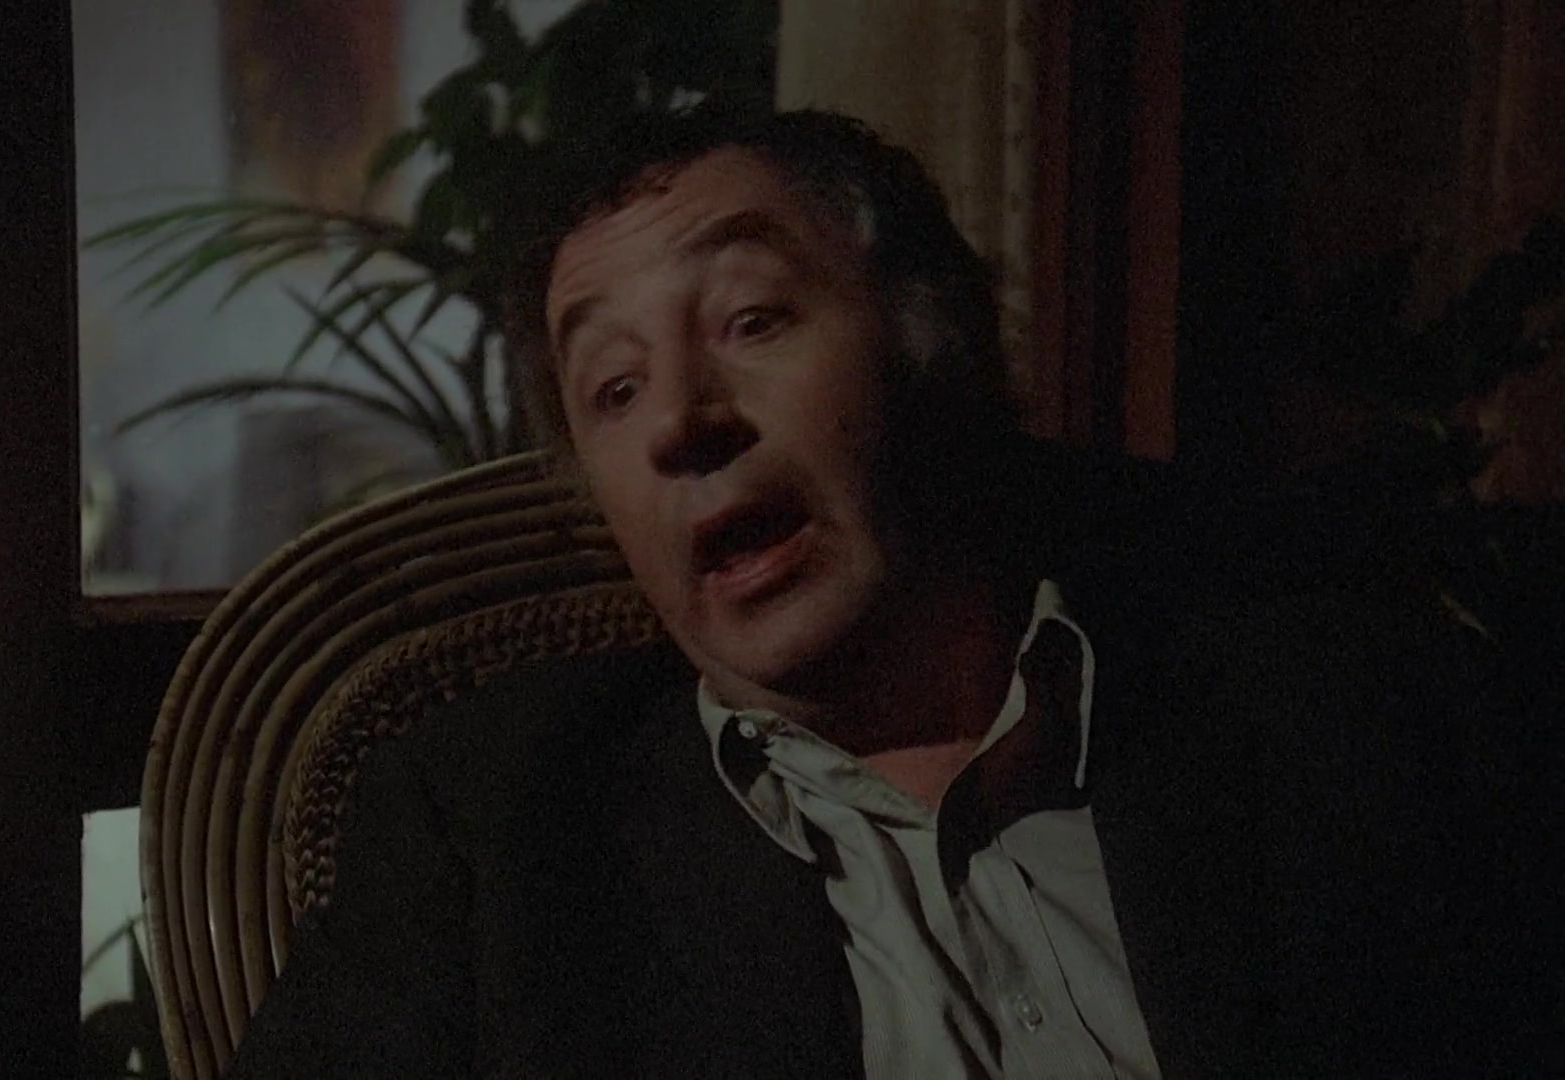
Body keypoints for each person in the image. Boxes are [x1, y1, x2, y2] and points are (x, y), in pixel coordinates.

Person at [228, 107, 1553, 1078]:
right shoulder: (495, 834)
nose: (681, 419)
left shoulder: (1330, 702)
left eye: (751, 319)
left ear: (935, 345)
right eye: (613, 389)